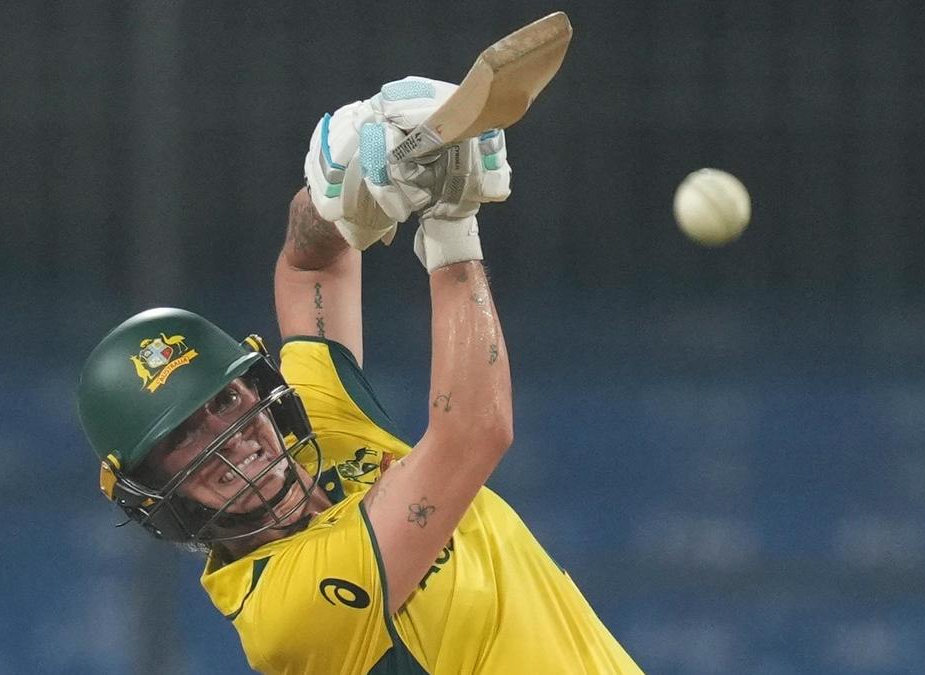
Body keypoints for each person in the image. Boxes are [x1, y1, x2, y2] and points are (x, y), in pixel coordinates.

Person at [77, 77, 643, 674]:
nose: (229, 437)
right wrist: (451, 223)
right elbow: (475, 433)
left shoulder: (319, 434)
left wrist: (343, 186)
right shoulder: (288, 613)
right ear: (154, 490)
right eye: (184, 436)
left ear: (258, 390)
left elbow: (310, 269)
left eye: (224, 401)